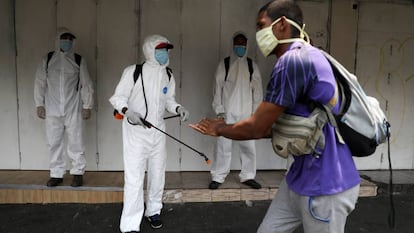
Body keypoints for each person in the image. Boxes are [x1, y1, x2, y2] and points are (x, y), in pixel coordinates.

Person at [190, 1, 361, 233]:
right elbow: (277, 126)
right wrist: (231, 122)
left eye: (261, 26)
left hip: (326, 184)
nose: (258, 33)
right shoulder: (301, 57)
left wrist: (218, 129)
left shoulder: (293, 61)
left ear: (281, 25)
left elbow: (259, 128)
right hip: (298, 179)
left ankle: (246, 173)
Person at [109, 34, 189, 233]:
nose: (164, 53)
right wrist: (128, 111)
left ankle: (153, 210)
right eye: (160, 49)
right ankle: (130, 225)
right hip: (135, 133)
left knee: (157, 173)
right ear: (149, 50)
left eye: (166, 50)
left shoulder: (168, 74)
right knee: (135, 178)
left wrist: (178, 108)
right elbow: (118, 97)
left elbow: (168, 100)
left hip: (158, 132)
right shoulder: (133, 72)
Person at [34, 27, 94, 187]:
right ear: (57, 39)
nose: (67, 41)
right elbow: (40, 83)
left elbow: (86, 84)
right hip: (52, 107)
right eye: (64, 38)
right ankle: (56, 173)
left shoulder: (78, 60)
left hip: (73, 107)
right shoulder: (48, 59)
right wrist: (39, 104)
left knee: (76, 140)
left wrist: (87, 105)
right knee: (53, 141)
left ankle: (77, 172)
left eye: (69, 39)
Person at [210, 31, 263, 190]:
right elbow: (216, 88)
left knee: (248, 146)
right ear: (232, 45)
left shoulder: (251, 65)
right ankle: (218, 177)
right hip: (226, 113)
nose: (240, 47)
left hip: (246, 113)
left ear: (247, 46)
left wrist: (256, 113)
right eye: (237, 44)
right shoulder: (225, 64)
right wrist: (219, 110)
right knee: (223, 146)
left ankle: (248, 176)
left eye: (243, 44)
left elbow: (258, 91)